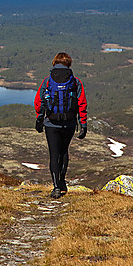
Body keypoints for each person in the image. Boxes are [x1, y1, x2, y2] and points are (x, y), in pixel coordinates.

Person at [34, 52, 87, 198]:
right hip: (69, 123)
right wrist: (83, 124)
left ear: (54, 63)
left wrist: (40, 117)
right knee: (64, 152)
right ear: (69, 64)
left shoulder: (48, 81)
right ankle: (62, 181)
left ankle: (56, 186)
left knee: (54, 154)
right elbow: (82, 104)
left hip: (51, 123)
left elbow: (39, 102)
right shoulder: (76, 82)